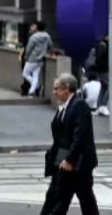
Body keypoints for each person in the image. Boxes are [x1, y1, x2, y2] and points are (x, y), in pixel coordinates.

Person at [40, 73, 99, 215]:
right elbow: (61, 137)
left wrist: (69, 159)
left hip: (78, 162)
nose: (54, 92)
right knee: (55, 195)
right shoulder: (65, 107)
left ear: (67, 89)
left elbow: (80, 137)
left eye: (56, 89)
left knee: (79, 199)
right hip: (63, 158)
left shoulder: (79, 106)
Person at [23, 21, 53, 97]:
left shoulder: (33, 37)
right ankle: (32, 90)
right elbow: (50, 45)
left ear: (37, 28)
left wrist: (26, 56)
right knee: (35, 75)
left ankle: (36, 86)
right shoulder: (47, 36)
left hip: (32, 59)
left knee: (25, 74)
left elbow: (29, 48)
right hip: (41, 59)